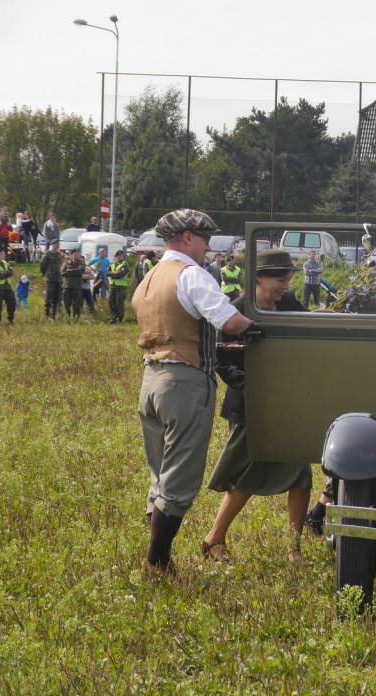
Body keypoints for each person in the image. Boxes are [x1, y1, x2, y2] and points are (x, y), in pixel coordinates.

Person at [130, 209, 255, 574]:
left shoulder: (149, 278)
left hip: (152, 380)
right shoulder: (192, 275)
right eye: (204, 238)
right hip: (185, 384)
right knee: (181, 476)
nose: (208, 246)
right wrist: (260, 327)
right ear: (187, 237)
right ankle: (158, 562)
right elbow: (230, 321)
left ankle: (159, 557)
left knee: (161, 472)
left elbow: (172, 330)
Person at [202, 249, 312, 564]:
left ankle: (294, 549)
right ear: (259, 277)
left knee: (300, 474)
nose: (286, 285)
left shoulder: (288, 303)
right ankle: (214, 538)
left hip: (286, 406)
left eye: (289, 278)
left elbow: (305, 328)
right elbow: (224, 365)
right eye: (281, 279)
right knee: (249, 474)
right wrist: (257, 389)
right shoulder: (234, 312)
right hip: (251, 408)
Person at [40, 239, 64, 319]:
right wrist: (46, 274)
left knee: (56, 298)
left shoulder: (59, 254)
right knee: (49, 297)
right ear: (52, 245)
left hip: (58, 279)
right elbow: (42, 266)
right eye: (56, 244)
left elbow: (60, 265)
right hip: (50, 278)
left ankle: (53, 315)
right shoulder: (47, 254)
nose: (57, 245)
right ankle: (47, 315)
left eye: (58, 244)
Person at [61, 250, 86, 322]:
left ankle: (76, 320)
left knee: (77, 305)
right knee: (66, 304)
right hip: (67, 287)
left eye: (77, 253)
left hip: (77, 287)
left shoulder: (81, 263)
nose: (76, 255)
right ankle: (67, 319)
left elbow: (80, 271)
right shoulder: (67, 263)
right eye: (75, 253)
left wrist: (68, 271)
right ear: (71, 255)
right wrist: (73, 272)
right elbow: (62, 272)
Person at [107, 249, 129, 324]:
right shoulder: (112, 264)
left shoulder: (124, 265)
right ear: (116, 257)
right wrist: (113, 273)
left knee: (119, 303)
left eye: (121, 256)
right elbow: (107, 272)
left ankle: (120, 318)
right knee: (111, 302)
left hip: (121, 287)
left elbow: (121, 274)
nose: (120, 257)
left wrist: (112, 274)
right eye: (119, 256)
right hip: (112, 286)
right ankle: (113, 317)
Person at [0, 248, 16, 324]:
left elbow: (11, 272)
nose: (0, 255)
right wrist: (5, 273)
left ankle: (11, 319)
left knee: (12, 303)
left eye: (1, 253)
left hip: (7, 287)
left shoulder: (6, 263)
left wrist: (4, 273)